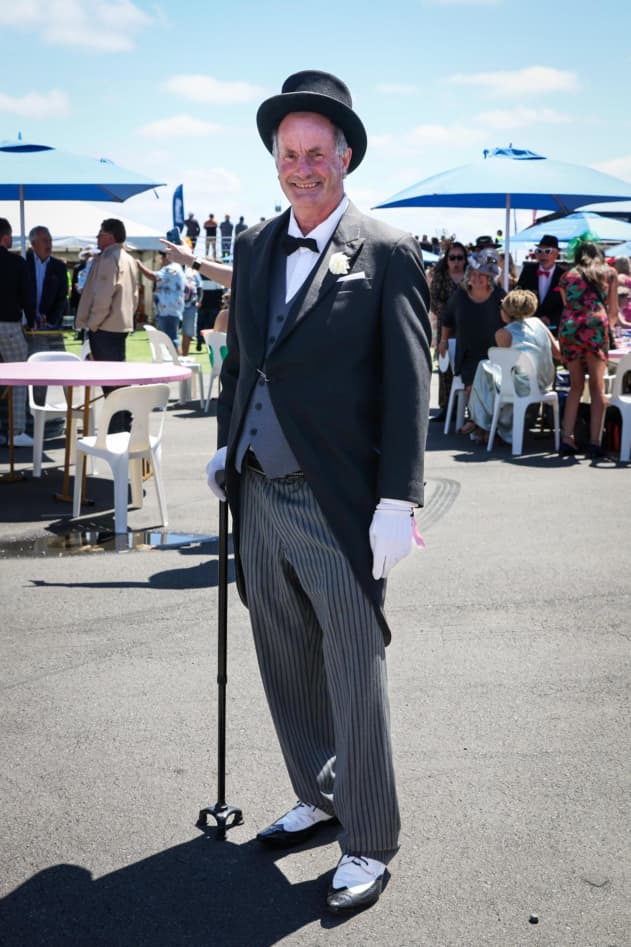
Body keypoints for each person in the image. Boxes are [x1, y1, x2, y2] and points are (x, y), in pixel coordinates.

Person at [205, 70, 431, 915]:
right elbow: (243, 362)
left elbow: (411, 386)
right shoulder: (256, 244)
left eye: (316, 154)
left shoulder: (387, 250)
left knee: (351, 663)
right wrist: (227, 444)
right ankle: (319, 788)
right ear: (275, 161)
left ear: (345, 158)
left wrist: (396, 499)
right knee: (284, 655)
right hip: (258, 490)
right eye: (287, 154)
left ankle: (368, 838)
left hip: (337, 496)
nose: (301, 168)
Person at [467, 288, 560, 444]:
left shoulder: (503, 334)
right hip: (545, 381)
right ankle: (482, 425)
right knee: (487, 370)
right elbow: (557, 352)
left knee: (484, 369)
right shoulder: (538, 323)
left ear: (506, 312)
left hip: (523, 386)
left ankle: (481, 423)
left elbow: (504, 368)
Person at [75, 218, 138, 432]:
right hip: (119, 325)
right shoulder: (128, 258)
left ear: (110, 236)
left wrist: (92, 324)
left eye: (100, 234)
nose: (97, 237)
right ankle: (121, 426)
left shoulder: (108, 258)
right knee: (117, 381)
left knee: (112, 384)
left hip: (105, 328)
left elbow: (103, 296)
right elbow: (135, 296)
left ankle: (118, 429)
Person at [557, 238, 618, 458]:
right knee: (597, 386)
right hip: (595, 327)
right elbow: (612, 312)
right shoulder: (609, 273)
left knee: (575, 385)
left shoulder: (567, 276)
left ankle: (567, 438)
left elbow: (568, 305)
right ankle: (594, 441)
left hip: (570, 327)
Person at [439, 248, 505, 430]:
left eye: (482, 275)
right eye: (474, 274)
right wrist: (443, 341)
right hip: (468, 353)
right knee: (472, 382)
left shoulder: (500, 296)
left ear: (490, 278)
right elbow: (447, 319)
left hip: (494, 353)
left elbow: (510, 321)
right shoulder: (459, 296)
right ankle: (477, 421)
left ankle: (480, 424)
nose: (477, 278)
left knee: (494, 381)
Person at [0, 217, 33, 447]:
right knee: (19, 379)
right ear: (5, 237)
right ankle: (16, 431)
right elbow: (27, 297)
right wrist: (30, 320)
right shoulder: (17, 263)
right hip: (9, 325)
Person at [429, 240, 467, 422]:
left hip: (467, 328)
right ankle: (445, 407)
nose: (456, 262)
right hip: (446, 327)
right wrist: (449, 314)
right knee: (445, 367)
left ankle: (464, 406)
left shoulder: (470, 277)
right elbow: (433, 299)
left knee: (464, 366)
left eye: (460, 258)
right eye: (452, 258)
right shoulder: (441, 276)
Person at [136, 251, 185, 351]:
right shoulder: (174, 267)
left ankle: (174, 363)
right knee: (169, 338)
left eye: (162, 257)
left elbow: (154, 277)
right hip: (168, 309)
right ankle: (173, 360)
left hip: (168, 310)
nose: (160, 260)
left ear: (167, 257)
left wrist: (139, 265)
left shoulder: (171, 269)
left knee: (170, 339)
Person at [517, 234, 566, 331]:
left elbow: (566, 304)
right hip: (529, 326)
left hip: (554, 329)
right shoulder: (528, 270)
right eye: (539, 251)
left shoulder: (563, 275)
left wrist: (551, 319)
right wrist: (535, 318)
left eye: (547, 251)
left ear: (557, 253)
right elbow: (519, 295)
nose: (542, 255)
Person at [25, 226, 68, 331]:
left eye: (50, 240)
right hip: (24, 324)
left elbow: (62, 297)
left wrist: (50, 321)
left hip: (50, 326)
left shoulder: (59, 267)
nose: (49, 244)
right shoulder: (22, 262)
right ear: (33, 244)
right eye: (45, 240)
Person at [181, 264, 203, 356]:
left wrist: (199, 301)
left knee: (188, 332)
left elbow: (200, 287)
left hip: (190, 306)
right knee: (172, 333)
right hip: (173, 306)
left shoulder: (193, 272)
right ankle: (175, 355)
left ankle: (184, 355)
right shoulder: (171, 268)